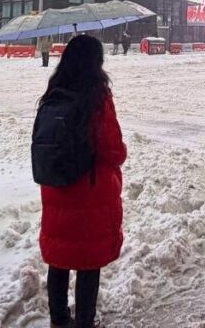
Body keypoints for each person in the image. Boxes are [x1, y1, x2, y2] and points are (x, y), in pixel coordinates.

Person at [38, 35, 127, 328]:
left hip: (56, 185)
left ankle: (58, 319)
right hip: (89, 188)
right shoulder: (96, 96)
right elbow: (111, 147)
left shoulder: (53, 92)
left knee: (59, 258)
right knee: (89, 260)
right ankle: (84, 321)